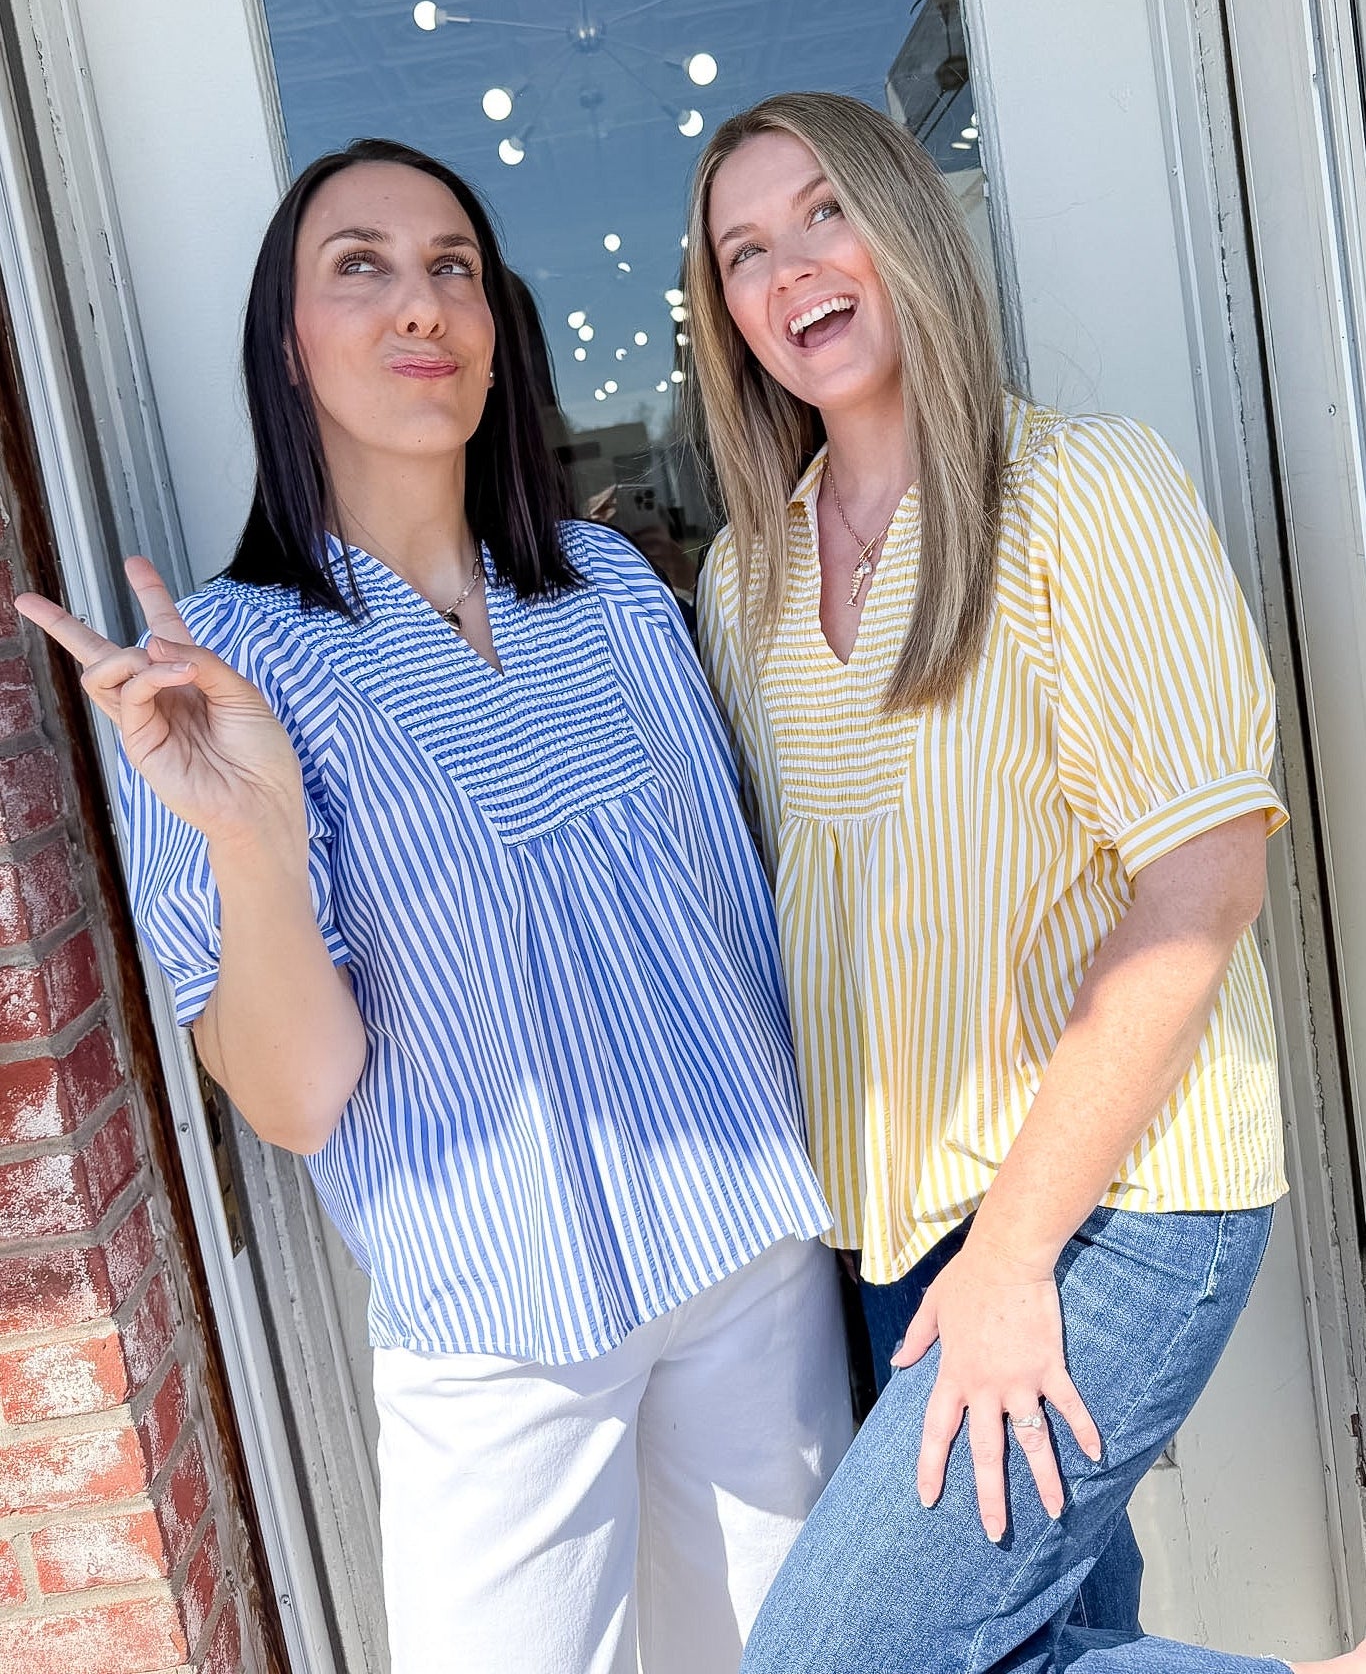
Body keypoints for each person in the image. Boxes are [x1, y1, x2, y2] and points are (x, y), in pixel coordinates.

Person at [16, 137, 851, 1674]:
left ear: (494, 329)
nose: (421, 305)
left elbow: (749, 911)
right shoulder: (217, 668)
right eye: (364, 266)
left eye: (452, 267)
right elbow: (294, 1094)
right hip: (499, 1322)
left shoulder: (608, 591)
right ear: (289, 343)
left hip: (751, 1264)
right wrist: (256, 845)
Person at [686, 90, 1365, 1674]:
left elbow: (1197, 893)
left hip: (1108, 1202)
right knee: (1014, 1642)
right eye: (743, 251)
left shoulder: (1079, 492)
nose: (791, 271)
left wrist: (1009, 1259)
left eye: (824, 214)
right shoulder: (749, 575)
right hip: (893, 1220)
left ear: (908, 227)